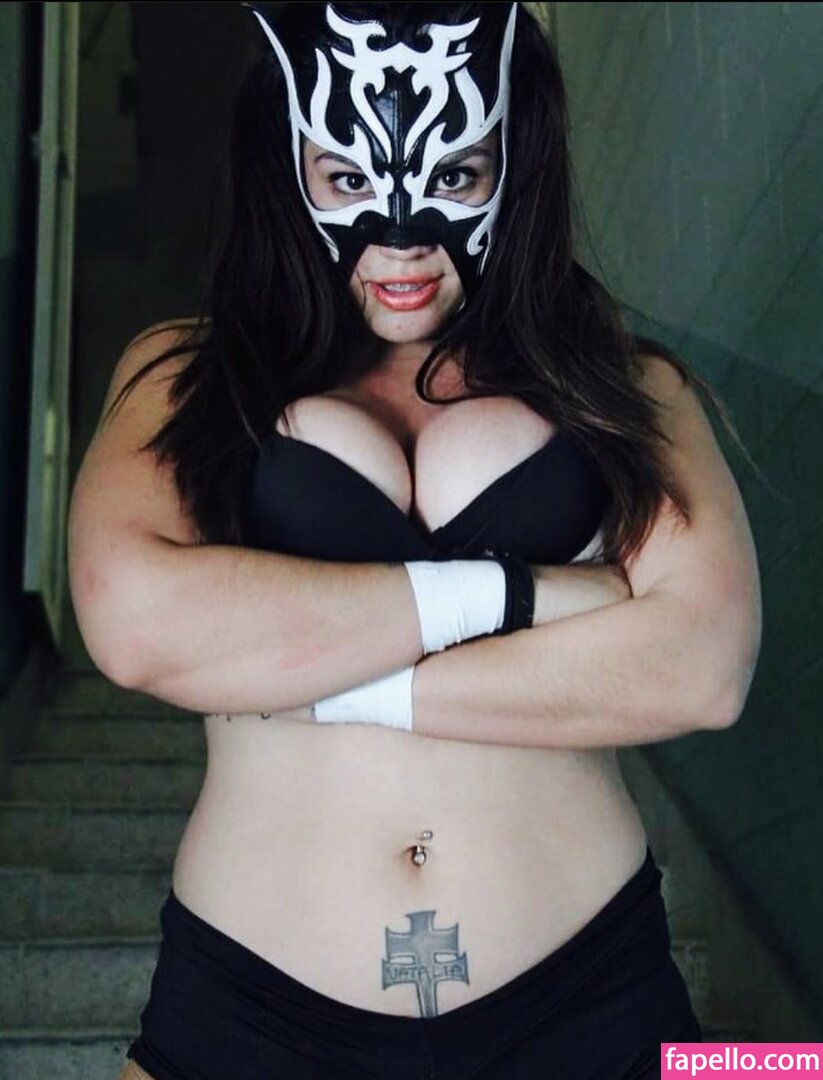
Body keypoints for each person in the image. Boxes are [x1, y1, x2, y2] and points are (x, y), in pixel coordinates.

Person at [68, 2, 762, 1077]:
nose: (401, 240)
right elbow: (134, 623)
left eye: (458, 172)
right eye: (347, 177)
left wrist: (306, 681)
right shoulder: (184, 373)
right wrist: (521, 597)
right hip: (247, 1013)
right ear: (288, 166)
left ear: (514, 165)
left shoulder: (623, 381)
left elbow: (702, 668)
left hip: (594, 1001)